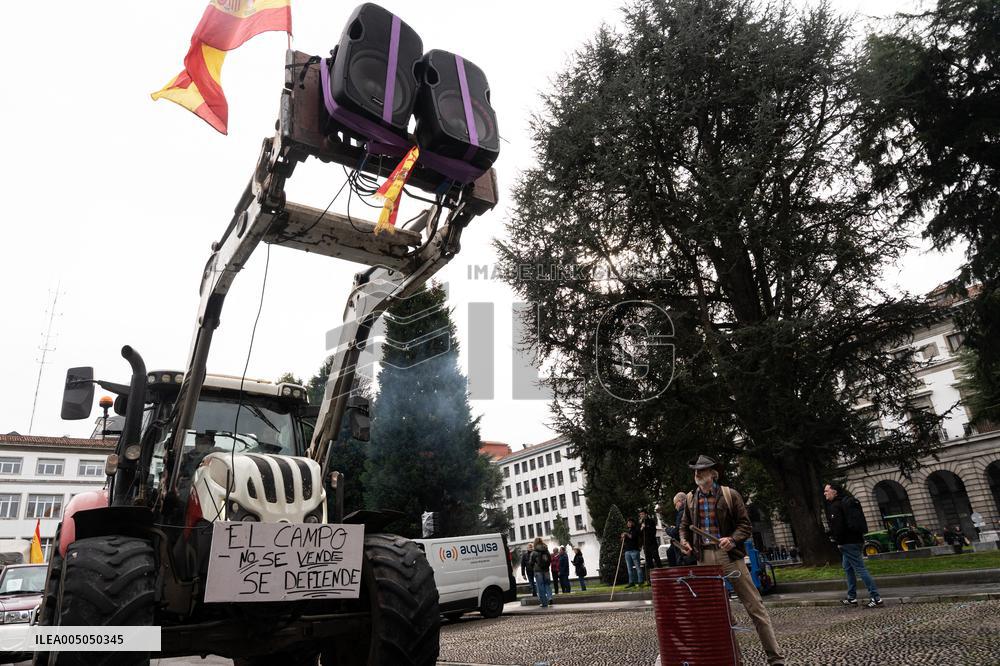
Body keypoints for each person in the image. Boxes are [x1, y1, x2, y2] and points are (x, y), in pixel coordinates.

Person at [680, 455, 785, 666]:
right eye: (695, 471)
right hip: (704, 559)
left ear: (712, 473)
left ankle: (776, 658)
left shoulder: (730, 495)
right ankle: (734, 659)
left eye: (702, 471)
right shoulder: (691, 499)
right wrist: (684, 541)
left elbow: (745, 525)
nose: (697, 474)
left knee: (755, 606)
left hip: (729, 556)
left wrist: (733, 539)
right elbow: (684, 526)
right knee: (717, 612)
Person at [823, 483, 882, 608]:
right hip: (856, 539)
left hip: (847, 542)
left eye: (827, 491)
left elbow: (838, 527)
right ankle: (851, 597)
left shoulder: (836, 506)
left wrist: (838, 542)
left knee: (860, 569)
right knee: (848, 568)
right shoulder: (846, 502)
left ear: (834, 492)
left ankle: (876, 598)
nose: (825, 493)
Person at [639, 508, 662, 580]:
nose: (642, 516)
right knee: (648, 561)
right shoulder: (640, 523)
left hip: (652, 543)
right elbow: (639, 534)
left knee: (656, 558)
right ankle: (651, 578)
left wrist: (646, 527)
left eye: (643, 514)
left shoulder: (651, 521)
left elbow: (653, 532)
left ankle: (661, 573)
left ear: (646, 514)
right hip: (646, 544)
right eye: (640, 515)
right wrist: (641, 528)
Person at [529, 537, 553, 608]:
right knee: (547, 585)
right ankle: (550, 598)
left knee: (540, 586)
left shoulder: (534, 551)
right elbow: (550, 559)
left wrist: (533, 566)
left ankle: (544, 603)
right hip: (546, 570)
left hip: (538, 571)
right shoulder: (546, 549)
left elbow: (531, 562)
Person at [621, 517, 643, 588]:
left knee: (637, 567)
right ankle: (631, 582)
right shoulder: (628, 531)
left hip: (634, 550)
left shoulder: (636, 530)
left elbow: (632, 537)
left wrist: (626, 534)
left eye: (630, 522)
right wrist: (622, 537)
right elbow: (623, 540)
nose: (628, 524)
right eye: (628, 522)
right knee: (629, 568)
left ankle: (640, 581)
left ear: (633, 523)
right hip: (627, 551)